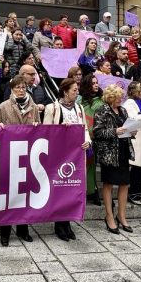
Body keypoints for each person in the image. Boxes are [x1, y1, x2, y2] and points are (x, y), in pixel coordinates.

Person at [43, 77, 92, 241]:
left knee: (71, 187)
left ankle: (67, 222)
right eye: (74, 90)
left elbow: (84, 128)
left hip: (75, 155)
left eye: (77, 90)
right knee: (59, 188)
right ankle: (59, 223)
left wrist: (87, 141)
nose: (77, 93)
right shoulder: (52, 108)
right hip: (59, 155)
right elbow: (46, 132)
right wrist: (59, 129)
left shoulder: (79, 108)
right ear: (65, 91)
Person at [0, 75, 41, 245]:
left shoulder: (33, 107)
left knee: (24, 194)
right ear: (12, 89)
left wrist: (37, 126)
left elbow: (40, 127)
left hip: (27, 155)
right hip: (9, 155)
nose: (21, 90)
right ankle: (5, 232)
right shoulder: (4, 106)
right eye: (17, 87)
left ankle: (23, 229)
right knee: (7, 195)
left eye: (23, 87)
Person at [93, 84, 133, 234]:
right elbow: (97, 132)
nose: (120, 100)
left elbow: (127, 127)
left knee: (125, 184)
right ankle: (109, 216)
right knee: (109, 183)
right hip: (109, 153)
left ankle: (121, 216)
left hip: (123, 150)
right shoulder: (102, 110)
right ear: (110, 97)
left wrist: (131, 131)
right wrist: (115, 131)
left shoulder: (123, 110)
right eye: (117, 97)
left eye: (121, 97)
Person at [79, 73, 103, 205]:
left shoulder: (102, 100)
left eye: (96, 82)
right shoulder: (79, 101)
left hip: (96, 138)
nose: (96, 85)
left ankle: (93, 192)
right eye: (93, 83)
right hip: (82, 138)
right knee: (83, 166)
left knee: (92, 166)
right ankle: (83, 191)